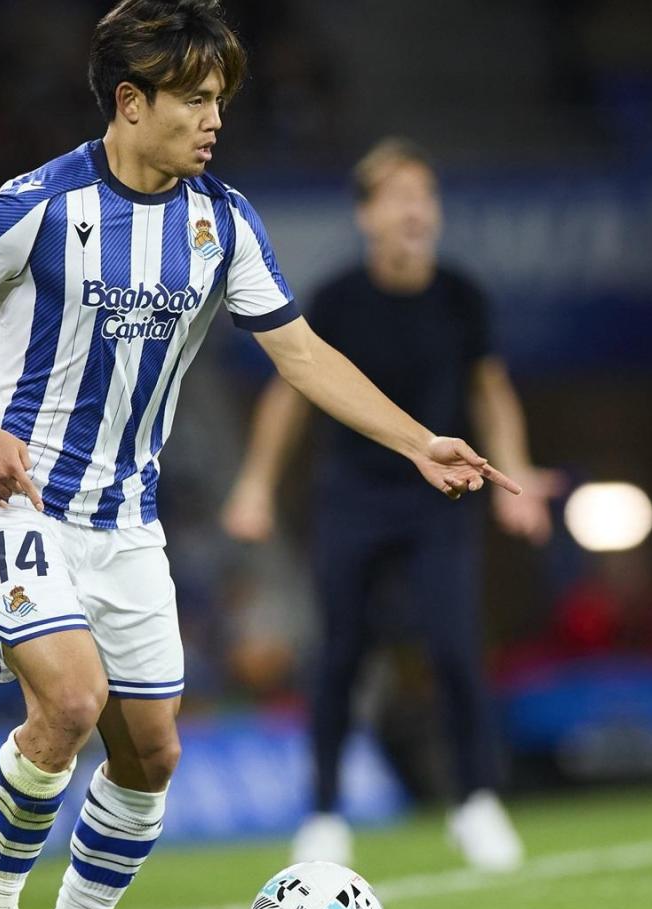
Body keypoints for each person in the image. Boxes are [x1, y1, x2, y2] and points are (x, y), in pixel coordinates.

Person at [0, 5, 519, 909]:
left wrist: (419, 442)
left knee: (153, 756)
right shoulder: (41, 204)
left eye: (219, 99)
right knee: (69, 701)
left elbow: (300, 354)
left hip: (127, 521)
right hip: (17, 502)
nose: (214, 119)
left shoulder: (222, 221)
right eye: (193, 99)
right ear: (131, 102)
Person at [220, 137, 551, 872]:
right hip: (355, 496)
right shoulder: (338, 298)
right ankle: (324, 815)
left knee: (455, 647)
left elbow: (491, 391)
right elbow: (289, 394)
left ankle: (476, 803)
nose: (415, 211)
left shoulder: (460, 296)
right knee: (340, 654)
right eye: (398, 197)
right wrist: (256, 484)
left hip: (442, 501)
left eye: (424, 197)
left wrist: (519, 473)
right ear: (366, 215)